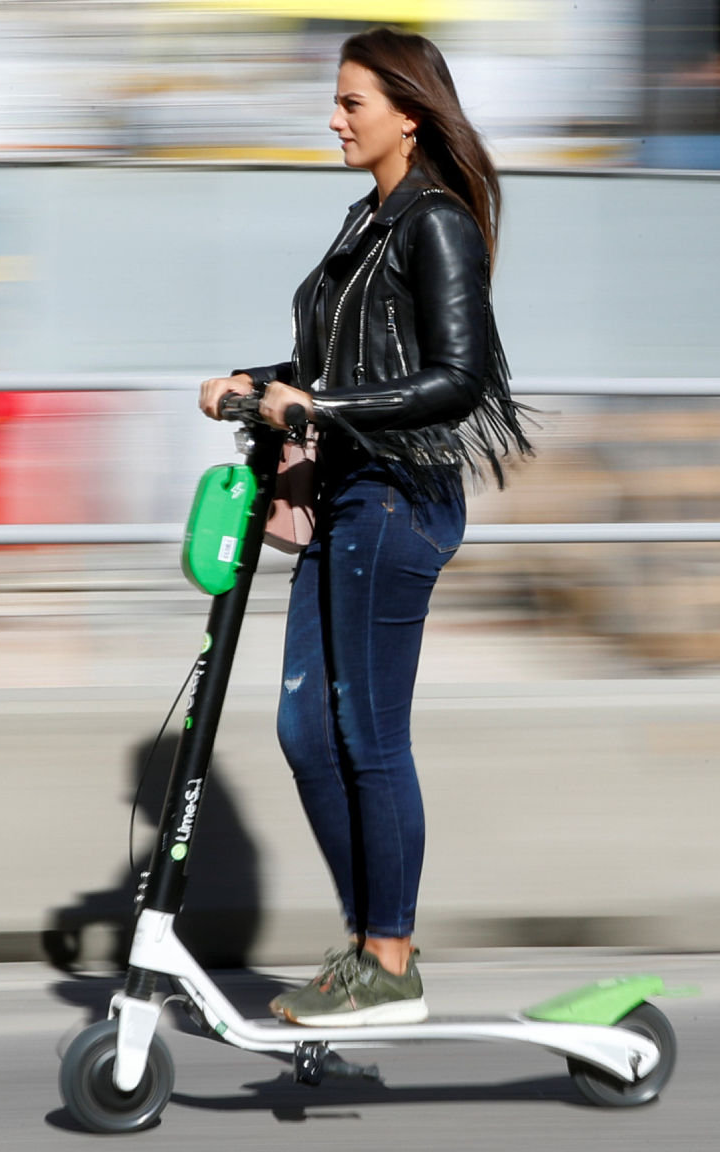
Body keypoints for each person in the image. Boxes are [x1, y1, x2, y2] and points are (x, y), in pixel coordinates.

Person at [196, 27, 530, 1027]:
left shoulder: (434, 223)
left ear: (408, 112)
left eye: (351, 103)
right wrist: (254, 384)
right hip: (346, 494)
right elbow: (333, 367)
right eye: (335, 101)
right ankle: (365, 945)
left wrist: (318, 414)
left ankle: (386, 955)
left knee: (366, 736)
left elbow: (456, 378)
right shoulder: (366, 221)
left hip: (398, 498)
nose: (333, 118)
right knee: (305, 730)